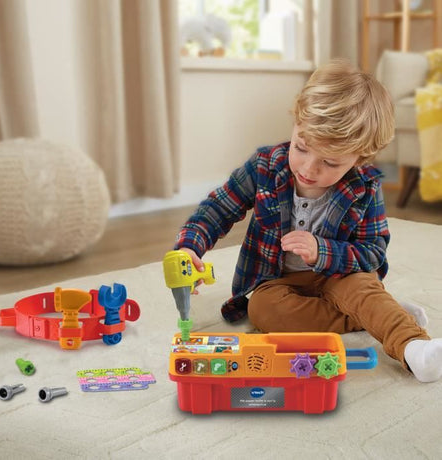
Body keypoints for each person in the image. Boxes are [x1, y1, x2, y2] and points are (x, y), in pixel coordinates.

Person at [173, 59, 442, 383]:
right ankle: (382, 315)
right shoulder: (265, 167)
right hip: (279, 280)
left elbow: (372, 253)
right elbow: (217, 209)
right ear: (296, 123)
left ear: (360, 157)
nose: (309, 168)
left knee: (361, 287)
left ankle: (412, 346)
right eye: (301, 147)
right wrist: (190, 248)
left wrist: (322, 251)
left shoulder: (365, 187)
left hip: (341, 275)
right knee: (262, 310)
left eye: (330, 162)